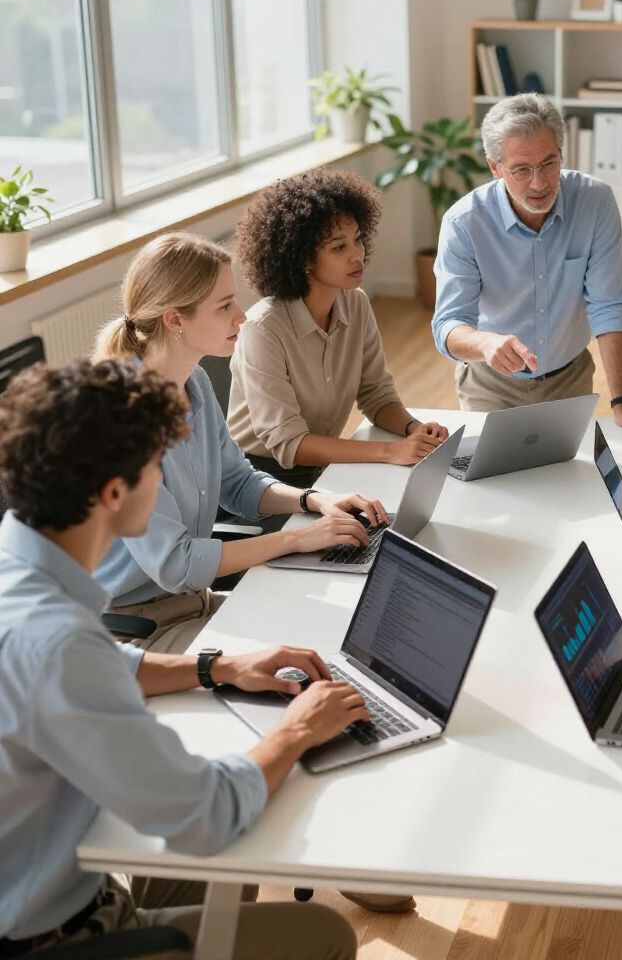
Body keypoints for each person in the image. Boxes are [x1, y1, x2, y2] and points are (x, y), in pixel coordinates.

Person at [0, 359, 365, 958]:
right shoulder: (58, 642)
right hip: (49, 936)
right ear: (113, 491)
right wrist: (298, 730)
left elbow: (95, 664)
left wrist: (215, 666)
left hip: (47, 874)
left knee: (228, 828)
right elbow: (209, 812)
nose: (164, 483)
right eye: (156, 469)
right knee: (323, 936)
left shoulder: (20, 566)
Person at [92, 232, 387, 654]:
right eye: (225, 305)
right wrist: (297, 539)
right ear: (175, 320)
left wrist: (314, 500)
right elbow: (176, 565)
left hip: (192, 603)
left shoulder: (193, 381)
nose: (242, 317)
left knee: (336, 622)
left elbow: (238, 483)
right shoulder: (121, 422)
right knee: (307, 658)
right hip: (135, 631)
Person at [432, 93, 622, 432]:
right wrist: (486, 343)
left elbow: (608, 305)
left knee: (567, 480)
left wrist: (621, 401)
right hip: (491, 383)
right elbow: (449, 325)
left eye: (548, 164)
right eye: (522, 170)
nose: (539, 183)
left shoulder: (594, 201)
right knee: (493, 482)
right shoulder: (464, 222)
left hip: (568, 379)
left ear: (561, 154)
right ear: (495, 167)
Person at [229, 168, 449, 487]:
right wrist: (391, 452)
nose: (357, 255)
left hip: (324, 466)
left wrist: (414, 430)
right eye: (338, 247)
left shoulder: (355, 304)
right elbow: (288, 443)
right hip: (259, 481)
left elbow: (376, 393)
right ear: (302, 259)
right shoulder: (263, 328)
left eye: (357, 239)